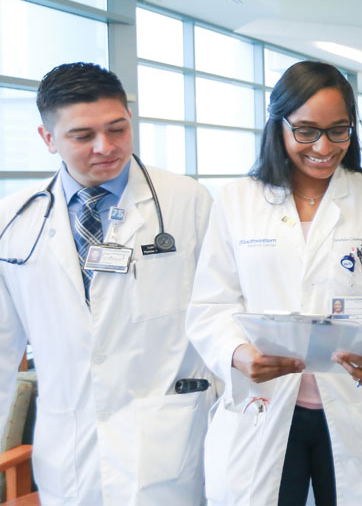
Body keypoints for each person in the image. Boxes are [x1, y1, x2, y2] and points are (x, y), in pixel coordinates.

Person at [185, 61, 362, 505]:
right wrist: (238, 354)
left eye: (339, 130)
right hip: (265, 406)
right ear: (278, 126)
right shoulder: (238, 200)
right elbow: (211, 304)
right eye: (305, 130)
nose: (323, 146)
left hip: (361, 405)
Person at [0, 62, 214, 504]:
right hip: (71, 447)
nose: (106, 147)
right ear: (48, 139)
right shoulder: (13, 221)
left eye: (117, 129)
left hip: (169, 443)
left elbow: (219, 318)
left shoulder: (186, 201)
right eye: (82, 136)